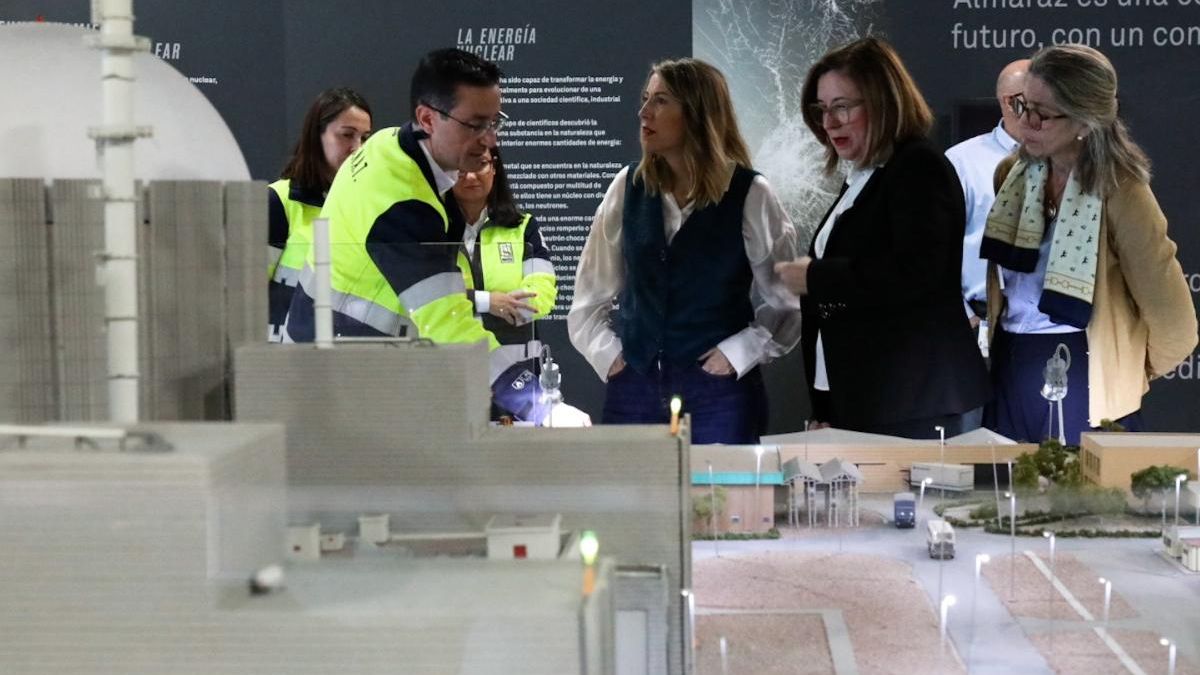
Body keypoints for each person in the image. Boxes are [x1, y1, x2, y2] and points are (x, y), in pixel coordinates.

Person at [285, 48, 582, 425]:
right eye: (475, 125)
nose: (491, 141)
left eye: (495, 122)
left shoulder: (390, 144)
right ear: (427, 118)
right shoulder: (403, 203)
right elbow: (449, 323)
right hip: (338, 381)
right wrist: (540, 404)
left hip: (344, 363)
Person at [567, 58, 802, 444]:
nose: (644, 112)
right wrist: (612, 359)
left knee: (720, 502)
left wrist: (739, 352)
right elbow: (588, 298)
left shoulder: (750, 193)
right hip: (634, 391)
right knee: (632, 501)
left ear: (697, 112)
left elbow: (786, 301)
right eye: (645, 99)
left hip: (720, 396)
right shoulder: (628, 186)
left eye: (660, 101)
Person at [774, 37, 989, 439]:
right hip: (867, 396)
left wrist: (816, 277)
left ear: (884, 101)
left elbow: (917, 273)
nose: (829, 122)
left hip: (916, 399)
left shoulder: (918, 167)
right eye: (822, 110)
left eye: (842, 107)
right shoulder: (864, 176)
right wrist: (825, 401)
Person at [982, 44, 1197, 445]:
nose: (1025, 122)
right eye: (1021, 105)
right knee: (1004, 501)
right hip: (1011, 369)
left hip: (1084, 376)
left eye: (1042, 114)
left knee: (1076, 505)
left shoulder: (1121, 189)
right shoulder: (1010, 174)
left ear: (1085, 120)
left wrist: (1122, 369)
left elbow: (1176, 325)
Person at [944, 58, 1029, 432]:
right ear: (1011, 103)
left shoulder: (1069, 159)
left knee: (1036, 448)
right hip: (974, 329)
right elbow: (935, 251)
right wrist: (964, 316)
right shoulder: (962, 162)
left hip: (1036, 329)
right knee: (970, 451)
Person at [268, 87, 372, 341]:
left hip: (345, 358)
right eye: (347, 135)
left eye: (365, 138)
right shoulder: (280, 200)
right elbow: (244, 296)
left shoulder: (368, 207)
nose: (357, 148)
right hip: (281, 360)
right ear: (317, 136)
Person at [452, 146, 556, 351]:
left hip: (516, 362)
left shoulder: (524, 226)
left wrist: (510, 307)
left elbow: (543, 290)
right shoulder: (431, 229)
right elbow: (428, 295)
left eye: (480, 164)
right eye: (461, 168)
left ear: (494, 167)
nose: (471, 176)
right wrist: (487, 302)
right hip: (451, 359)